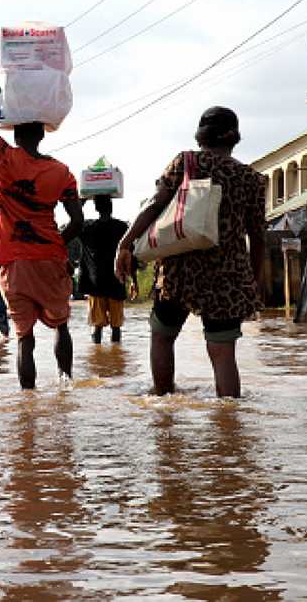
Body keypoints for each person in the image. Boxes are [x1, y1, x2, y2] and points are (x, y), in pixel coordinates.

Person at [115, 107, 265, 398]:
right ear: (234, 138)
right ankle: (229, 426)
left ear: (200, 136)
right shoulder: (251, 179)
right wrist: (254, 281)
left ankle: (164, 408)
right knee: (223, 354)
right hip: (229, 278)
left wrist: (125, 243)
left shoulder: (186, 162)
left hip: (178, 273)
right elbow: (258, 237)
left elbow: (154, 205)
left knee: (162, 337)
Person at [0, 33, 85, 390]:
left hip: (15, 264)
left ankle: (28, 404)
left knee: (24, 339)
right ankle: (66, 386)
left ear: (16, 133)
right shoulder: (61, 172)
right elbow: (77, 222)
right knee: (61, 324)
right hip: (49, 258)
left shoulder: (4, 159)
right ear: (42, 134)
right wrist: (55, 244)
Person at [79, 195, 138, 344]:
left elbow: (75, 222)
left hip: (95, 284)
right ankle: (116, 358)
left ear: (96, 208)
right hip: (116, 283)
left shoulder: (88, 228)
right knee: (116, 327)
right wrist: (134, 281)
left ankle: (98, 359)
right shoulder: (122, 228)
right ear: (111, 207)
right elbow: (130, 256)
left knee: (97, 326)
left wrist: (80, 203)